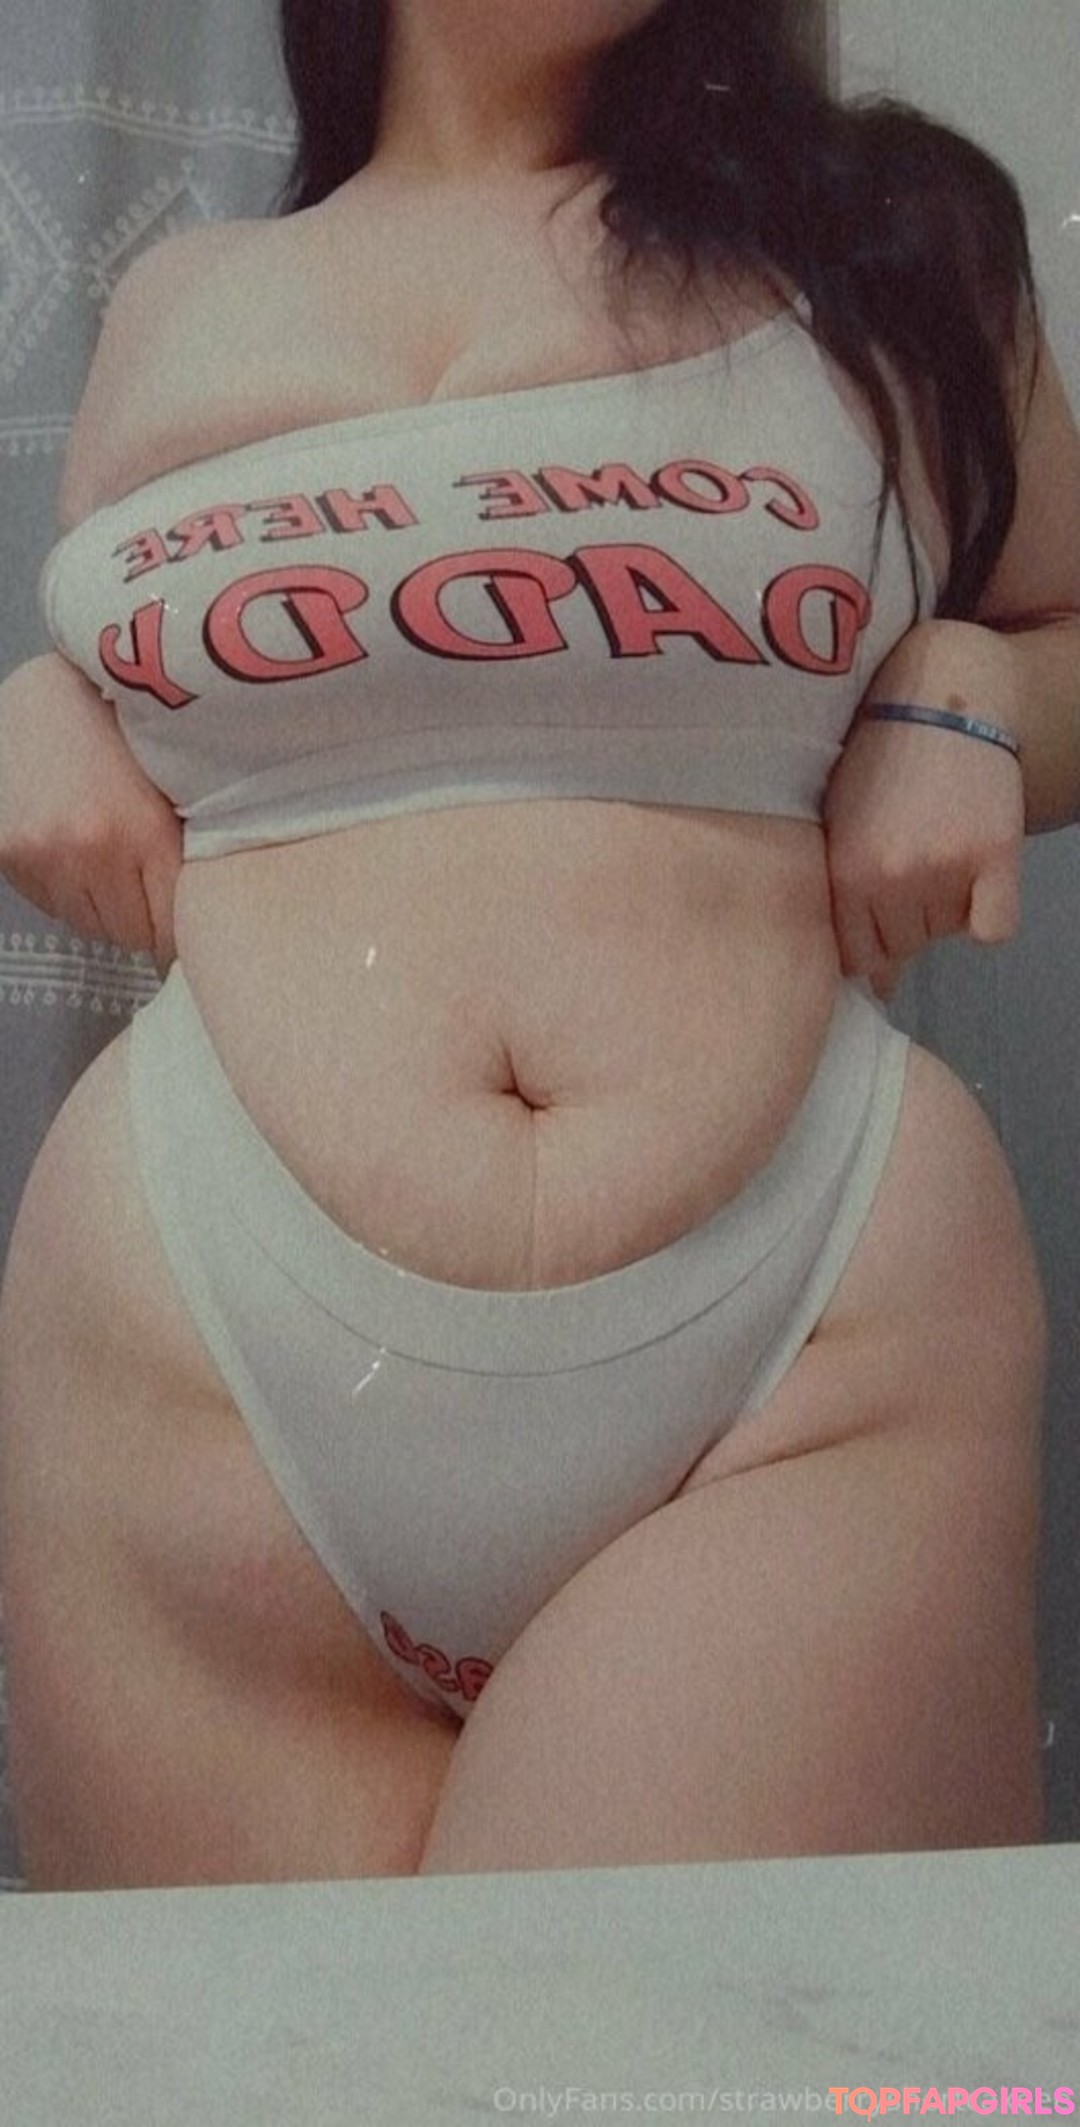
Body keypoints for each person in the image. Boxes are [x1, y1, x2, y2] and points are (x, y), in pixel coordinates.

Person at [0, 0, 1077, 1891]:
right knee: (251, 2055)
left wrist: (969, 691)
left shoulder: (891, 241)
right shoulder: (176, 299)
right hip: (187, 1358)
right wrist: (36, 705)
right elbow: (148, 682)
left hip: (792, 1349)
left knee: (682, 2044)